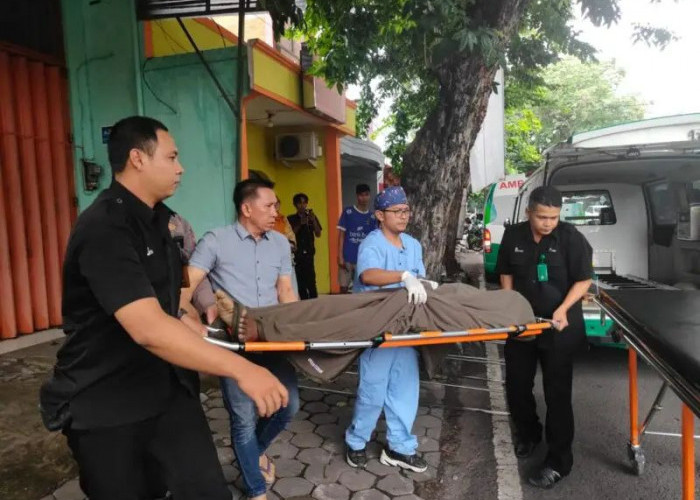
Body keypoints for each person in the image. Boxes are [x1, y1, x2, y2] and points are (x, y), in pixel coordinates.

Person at [38, 116, 288, 500]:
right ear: (138, 159)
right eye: (172, 157)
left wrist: (195, 325)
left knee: (207, 491)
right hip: (106, 403)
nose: (181, 167)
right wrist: (242, 370)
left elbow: (168, 307)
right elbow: (148, 327)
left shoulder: (164, 224)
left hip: (167, 392)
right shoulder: (104, 228)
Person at [182, 178, 299, 500]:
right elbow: (188, 285)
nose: (276, 211)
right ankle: (255, 488)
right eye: (269, 205)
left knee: (289, 404)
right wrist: (190, 320)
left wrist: (301, 332)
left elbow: (285, 290)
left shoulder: (278, 243)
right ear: (247, 208)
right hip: (236, 347)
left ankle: (252, 454)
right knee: (244, 420)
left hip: (274, 342)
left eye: (276, 205)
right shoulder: (216, 241)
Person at [495, 185, 593, 489]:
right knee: (516, 385)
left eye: (553, 217)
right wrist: (508, 304)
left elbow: (583, 279)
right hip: (522, 325)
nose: (547, 223)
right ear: (529, 212)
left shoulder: (571, 238)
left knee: (557, 394)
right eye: (541, 217)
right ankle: (528, 433)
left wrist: (564, 308)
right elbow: (506, 272)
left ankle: (558, 461)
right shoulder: (513, 236)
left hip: (558, 326)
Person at [344, 186, 431, 473]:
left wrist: (424, 284)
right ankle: (357, 442)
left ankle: (399, 446)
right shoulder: (373, 243)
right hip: (379, 328)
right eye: (397, 211)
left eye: (406, 210)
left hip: (405, 329)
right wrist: (403, 276)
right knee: (373, 390)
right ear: (381, 215)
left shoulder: (413, 245)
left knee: (405, 388)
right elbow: (368, 274)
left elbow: (419, 277)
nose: (404, 216)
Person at [337, 183, 377, 293]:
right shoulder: (348, 212)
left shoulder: (372, 217)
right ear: (357, 196)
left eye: (366, 195)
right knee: (344, 288)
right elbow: (341, 235)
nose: (364, 198)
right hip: (347, 257)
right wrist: (340, 256)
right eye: (361, 195)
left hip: (363, 260)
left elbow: (373, 239)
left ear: (369, 196)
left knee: (362, 289)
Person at [288, 193, 322, 299]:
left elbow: (318, 233)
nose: (302, 205)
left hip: (309, 253)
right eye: (299, 203)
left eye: (304, 203)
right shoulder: (291, 218)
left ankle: (314, 303)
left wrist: (313, 221)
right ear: (295, 204)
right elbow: (290, 234)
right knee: (300, 282)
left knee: (311, 281)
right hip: (297, 254)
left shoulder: (311, 216)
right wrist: (300, 223)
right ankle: (304, 304)